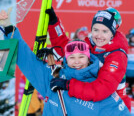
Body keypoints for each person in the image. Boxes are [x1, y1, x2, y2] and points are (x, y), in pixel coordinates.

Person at [0, 18, 131, 115]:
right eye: (72, 58)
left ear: (88, 58)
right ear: (66, 60)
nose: (77, 62)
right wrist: (8, 28)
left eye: (81, 57)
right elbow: (26, 59)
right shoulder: (53, 78)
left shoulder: (99, 91)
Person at [46, 7, 131, 111]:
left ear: (112, 33)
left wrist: (68, 85)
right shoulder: (90, 44)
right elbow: (66, 49)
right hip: (93, 106)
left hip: (112, 110)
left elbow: (100, 90)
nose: (99, 35)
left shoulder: (117, 56)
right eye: (96, 30)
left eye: (105, 31)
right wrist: (54, 23)